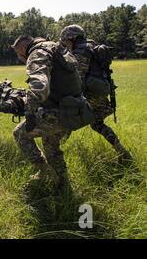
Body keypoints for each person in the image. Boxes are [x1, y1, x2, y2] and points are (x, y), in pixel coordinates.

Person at [11, 35, 95, 190]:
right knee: (51, 147)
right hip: (74, 109)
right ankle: (63, 186)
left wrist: (29, 113)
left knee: (19, 133)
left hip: (58, 113)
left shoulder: (37, 53)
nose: (19, 57)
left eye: (18, 53)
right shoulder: (58, 48)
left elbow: (40, 85)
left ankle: (45, 172)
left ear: (22, 48)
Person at [60, 25, 132, 164]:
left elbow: (78, 78)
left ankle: (54, 154)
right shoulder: (93, 47)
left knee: (66, 120)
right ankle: (122, 151)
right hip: (100, 92)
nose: (66, 45)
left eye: (66, 41)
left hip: (89, 94)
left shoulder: (81, 51)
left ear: (72, 38)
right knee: (97, 124)